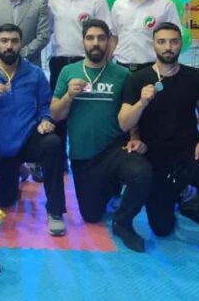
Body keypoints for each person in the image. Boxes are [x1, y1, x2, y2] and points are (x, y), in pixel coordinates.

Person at [118, 22, 199, 270]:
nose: (168, 47)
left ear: (181, 44)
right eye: (162, 42)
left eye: (173, 41)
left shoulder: (195, 77)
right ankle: (185, 193)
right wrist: (142, 103)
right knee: (162, 228)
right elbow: (125, 122)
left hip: (190, 156)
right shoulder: (138, 79)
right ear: (153, 44)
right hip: (155, 161)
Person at [50, 20, 151, 252]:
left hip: (115, 150)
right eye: (90, 38)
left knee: (142, 173)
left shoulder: (122, 74)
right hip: (83, 155)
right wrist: (68, 96)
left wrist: (135, 137)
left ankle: (122, 222)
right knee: (91, 216)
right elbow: (55, 114)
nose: (96, 43)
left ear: (109, 42)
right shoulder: (68, 71)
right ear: (83, 41)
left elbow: (130, 112)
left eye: (101, 38)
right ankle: (110, 189)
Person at [0, 24, 67, 236]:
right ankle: (19, 171)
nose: (9, 46)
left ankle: (55, 211)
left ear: (21, 44)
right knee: (5, 200)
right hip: (0, 146)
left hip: (28, 139)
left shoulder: (35, 73)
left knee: (53, 143)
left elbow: (45, 104)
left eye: (14, 41)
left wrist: (45, 120)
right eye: (4, 41)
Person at [48, 0, 113, 154]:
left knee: (85, 113)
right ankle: (58, 161)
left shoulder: (97, 1)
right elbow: (47, 31)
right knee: (58, 114)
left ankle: (88, 156)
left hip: (86, 65)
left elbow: (107, 36)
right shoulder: (54, 0)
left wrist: (103, 65)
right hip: (59, 64)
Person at [111, 0, 181, 72]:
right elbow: (114, 37)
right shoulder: (119, 4)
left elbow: (175, 40)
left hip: (152, 69)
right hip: (120, 68)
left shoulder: (166, 6)